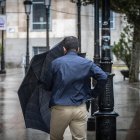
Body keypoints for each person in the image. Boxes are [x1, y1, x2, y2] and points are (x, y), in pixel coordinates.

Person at [44, 36, 108, 140]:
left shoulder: (55, 63)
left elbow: (47, 86)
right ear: (77, 49)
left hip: (60, 108)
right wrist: (94, 93)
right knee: (80, 139)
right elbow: (103, 77)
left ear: (64, 49)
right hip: (80, 108)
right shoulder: (87, 63)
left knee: (56, 138)